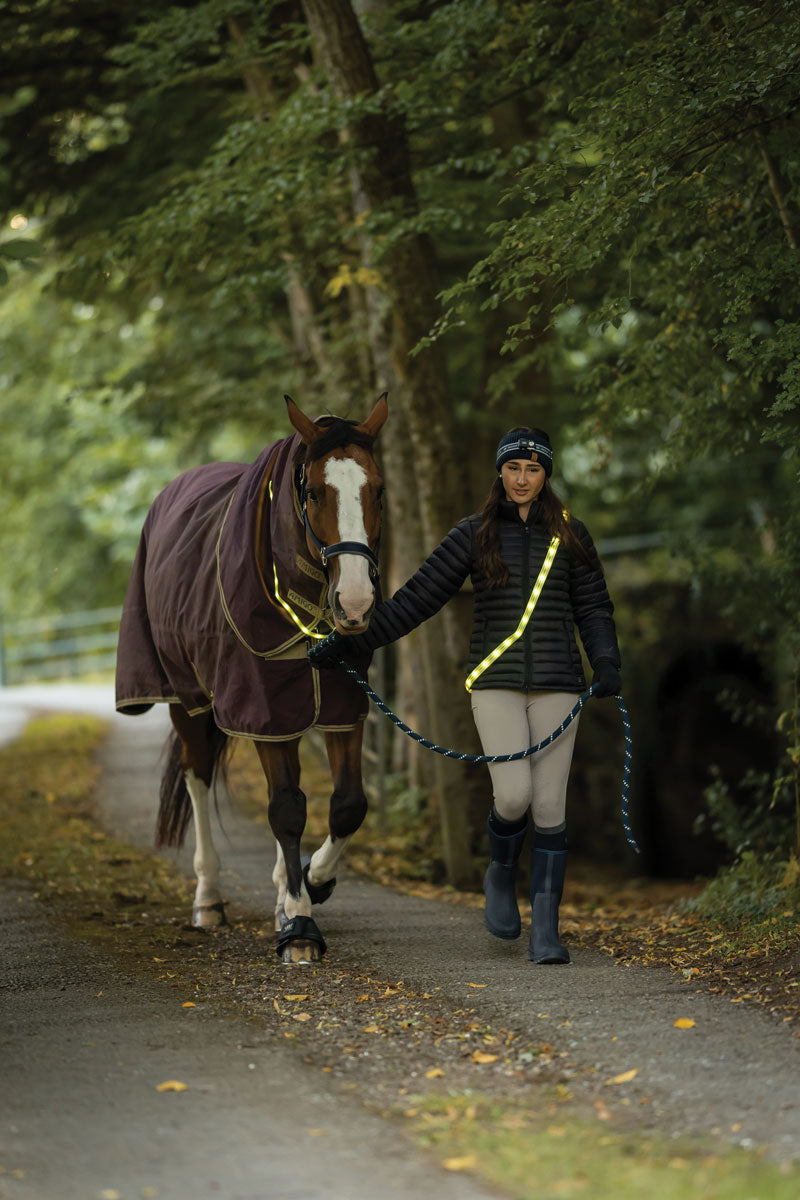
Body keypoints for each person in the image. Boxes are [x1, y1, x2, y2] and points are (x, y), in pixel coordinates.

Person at [308, 427, 621, 964]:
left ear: (546, 476)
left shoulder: (572, 535)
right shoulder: (473, 534)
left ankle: (546, 930)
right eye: (514, 468)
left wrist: (607, 660)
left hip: (560, 683)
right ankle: (499, 875)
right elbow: (416, 601)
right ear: (500, 472)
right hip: (495, 683)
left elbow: (594, 607)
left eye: (534, 469)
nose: (523, 479)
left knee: (549, 807)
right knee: (514, 797)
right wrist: (346, 641)